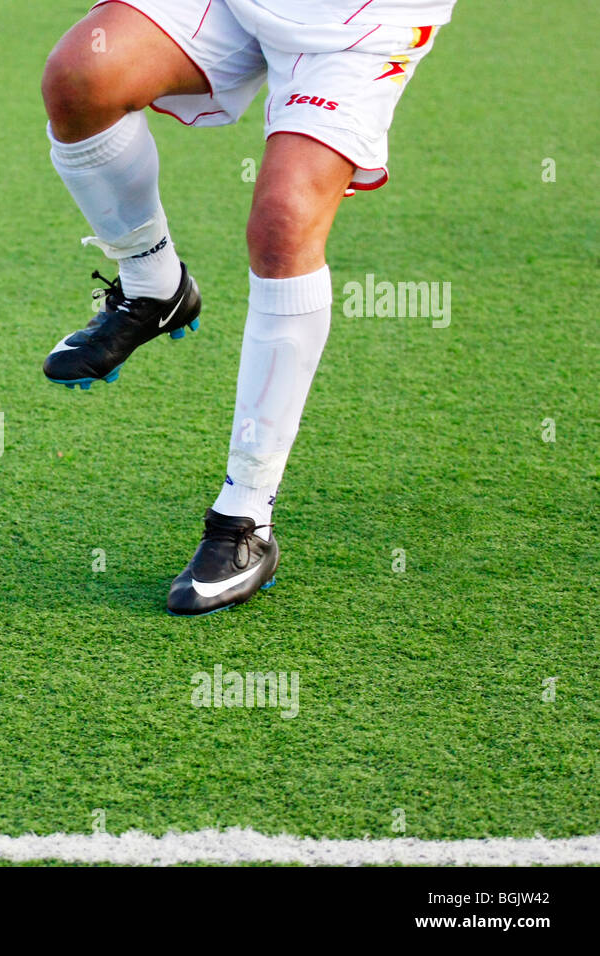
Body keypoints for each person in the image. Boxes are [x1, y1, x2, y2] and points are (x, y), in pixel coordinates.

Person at [40, 0, 454, 614]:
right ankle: (155, 285)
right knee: (81, 76)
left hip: (356, 24)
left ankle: (246, 519)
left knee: (283, 224)